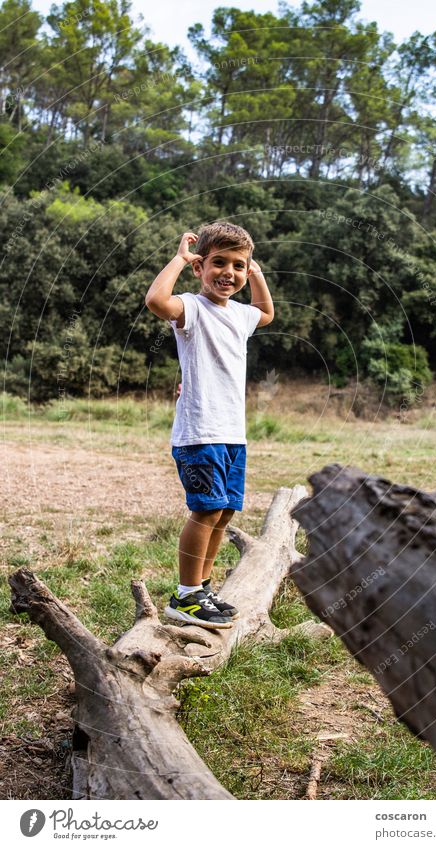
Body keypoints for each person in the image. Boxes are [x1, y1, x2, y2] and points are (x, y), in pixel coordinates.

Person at [145, 222, 274, 628]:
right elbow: (155, 300)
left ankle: (202, 587)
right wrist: (180, 259)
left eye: (239, 265)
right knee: (205, 510)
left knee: (224, 513)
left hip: (233, 434)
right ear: (201, 266)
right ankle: (184, 596)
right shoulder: (191, 307)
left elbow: (267, 313)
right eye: (219, 262)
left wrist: (258, 275)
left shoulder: (239, 314)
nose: (229, 273)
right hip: (200, 432)